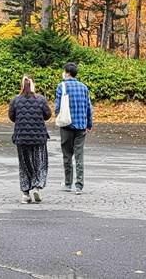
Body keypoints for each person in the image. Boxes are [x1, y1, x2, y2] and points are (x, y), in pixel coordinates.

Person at [8, 74, 52, 203]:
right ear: (34, 84)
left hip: (21, 137)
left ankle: (25, 193)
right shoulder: (41, 99)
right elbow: (47, 115)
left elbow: (12, 117)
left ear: (22, 85)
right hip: (38, 137)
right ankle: (37, 187)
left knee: (24, 165)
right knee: (39, 162)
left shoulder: (15, 100)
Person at [55, 61, 93, 194]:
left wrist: (58, 118)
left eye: (64, 71)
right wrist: (89, 124)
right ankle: (79, 185)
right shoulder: (84, 87)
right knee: (79, 155)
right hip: (81, 126)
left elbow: (57, 106)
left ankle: (68, 183)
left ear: (68, 73)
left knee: (67, 155)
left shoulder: (62, 86)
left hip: (66, 125)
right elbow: (89, 107)